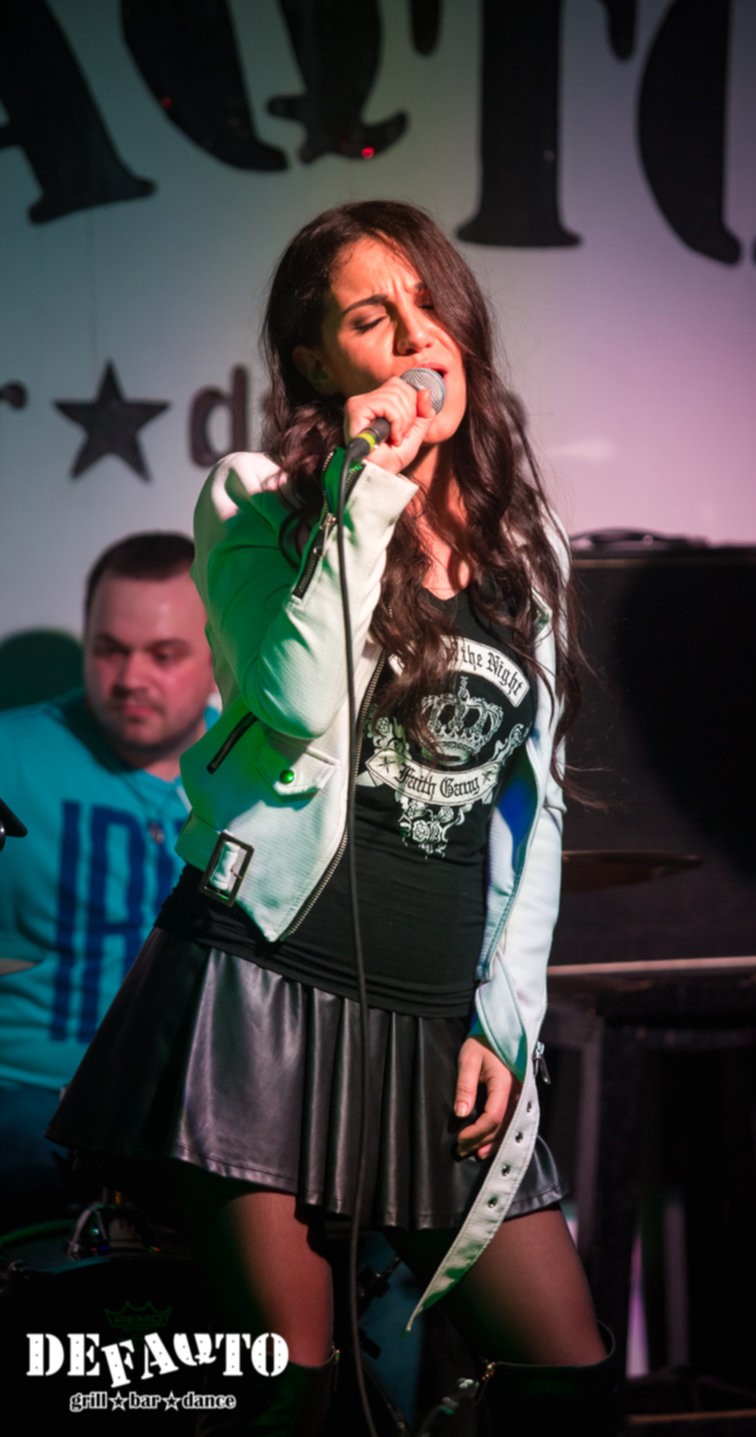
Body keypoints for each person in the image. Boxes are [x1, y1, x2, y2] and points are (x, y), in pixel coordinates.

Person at [49, 201, 612, 1433]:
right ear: (315, 361)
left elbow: (537, 814)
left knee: (562, 1372)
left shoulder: (529, 547)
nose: (416, 338)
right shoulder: (257, 499)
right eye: (372, 317)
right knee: (294, 1394)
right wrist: (366, 490)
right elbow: (299, 698)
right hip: (264, 996)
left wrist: (506, 1019)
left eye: (430, 304)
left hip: (439, 1020)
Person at [0, 532, 213, 1230]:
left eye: (164, 654)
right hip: (27, 1102)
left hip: (195, 1115)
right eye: (109, 650)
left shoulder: (266, 775)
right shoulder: (10, 754)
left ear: (217, 652)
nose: (130, 679)